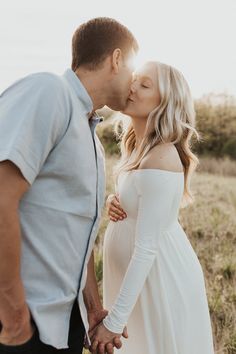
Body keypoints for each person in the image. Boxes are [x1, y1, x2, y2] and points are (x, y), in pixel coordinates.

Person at [0, 17, 138, 354]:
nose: (134, 85)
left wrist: (91, 307)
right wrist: (14, 313)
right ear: (116, 60)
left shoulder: (92, 139)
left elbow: (78, 233)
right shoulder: (50, 91)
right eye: (134, 73)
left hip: (65, 325)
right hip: (22, 322)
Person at [89, 61, 215, 354]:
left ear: (165, 103)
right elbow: (142, 202)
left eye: (145, 85)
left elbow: (146, 248)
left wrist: (115, 322)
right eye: (135, 79)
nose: (132, 86)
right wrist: (115, 201)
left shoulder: (161, 156)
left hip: (159, 281)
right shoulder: (137, 148)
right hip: (137, 282)